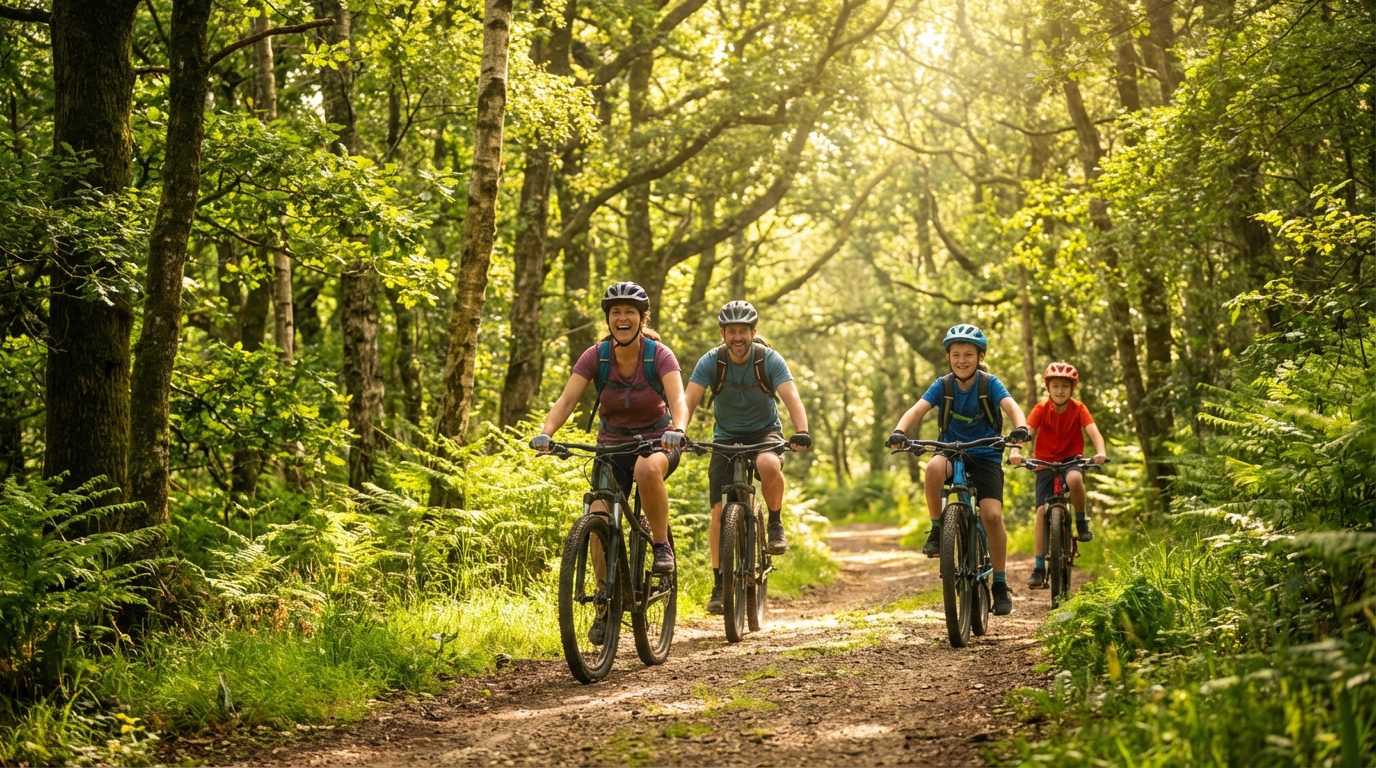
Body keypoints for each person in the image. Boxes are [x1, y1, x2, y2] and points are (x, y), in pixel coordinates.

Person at [531, 281, 689, 583]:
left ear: (642, 319)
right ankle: (604, 602)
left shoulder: (659, 354)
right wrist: (547, 433)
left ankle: (660, 545)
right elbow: (566, 401)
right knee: (598, 516)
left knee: (645, 469)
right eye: (616, 312)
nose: (622, 318)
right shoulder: (596, 356)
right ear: (608, 319)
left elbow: (678, 400)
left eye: (630, 312)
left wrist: (678, 430)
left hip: (658, 443)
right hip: (612, 447)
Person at [885, 323, 1029, 616]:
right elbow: (917, 409)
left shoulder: (990, 384)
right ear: (948, 358)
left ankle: (999, 583)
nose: (962, 360)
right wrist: (900, 430)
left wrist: (1021, 427)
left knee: (992, 515)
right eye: (956, 354)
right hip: (951, 451)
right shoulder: (943, 385)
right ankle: (938, 529)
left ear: (980, 356)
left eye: (968, 354)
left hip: (986, 454)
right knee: (933, 468)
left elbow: (1012, 406)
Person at [682, 300, 811, 615]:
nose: (737, 337)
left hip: (764, 432)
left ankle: (776, 523)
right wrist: (679, 431)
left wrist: (802, 430)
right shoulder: (712, 362)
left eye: (743, 331)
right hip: (725, 438)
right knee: (717, 513)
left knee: (768, 464)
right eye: (731, 331)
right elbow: (689, 400)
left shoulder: (769, 359)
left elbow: (791, 396)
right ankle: (719, 583)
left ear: (753, 332)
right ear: (723, 333)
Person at [1013, 362, 1107, 589]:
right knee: (1041, 511)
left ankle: (1082, 521)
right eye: (1055, 386)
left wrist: (1100, 452)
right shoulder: (1041, 409)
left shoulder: (1079, 408)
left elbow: (1093, 431)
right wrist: (1016, 451)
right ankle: (1038, 567)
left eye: (1065, 386)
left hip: (1071, 460)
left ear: (1072, 388)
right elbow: (1027, 432)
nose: (1060, 390)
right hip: (1044, 462)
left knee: (1075, 480)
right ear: (1048, 387)